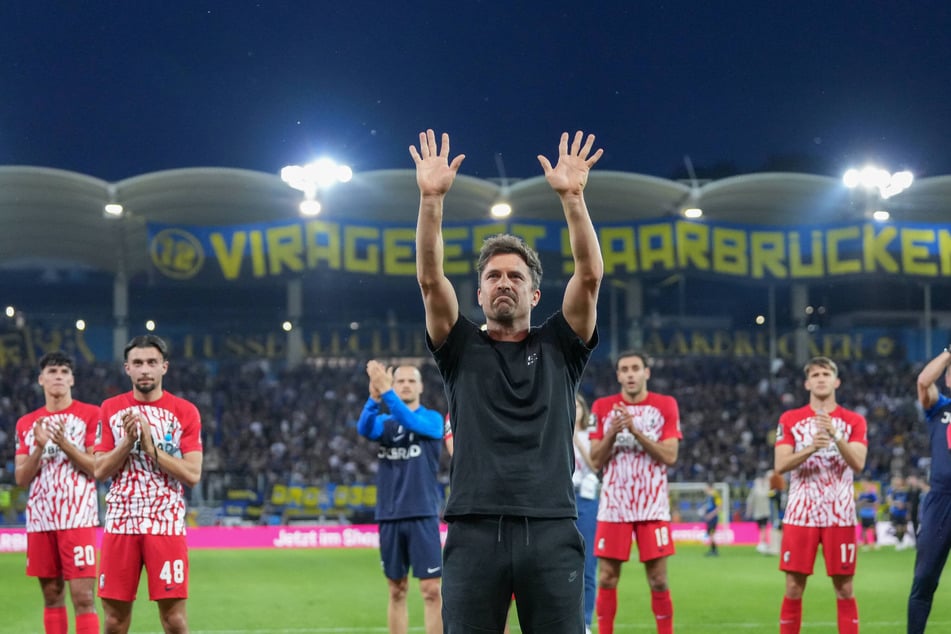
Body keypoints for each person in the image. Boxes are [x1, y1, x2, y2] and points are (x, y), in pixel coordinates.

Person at [411, 128, 603, 633]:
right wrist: (431, 200)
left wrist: (574, 200)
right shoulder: (460, 348)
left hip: (551, 527)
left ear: (536, 295)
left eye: (516, 277)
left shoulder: (561, 345)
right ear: (478, 292)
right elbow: (431, 279)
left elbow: (588, 277)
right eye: (494, 276)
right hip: (474, 529)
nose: (504, 283)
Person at [94, 335, 203, 634]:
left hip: (165, 522)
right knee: (115, 622)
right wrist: (128, 442)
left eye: (152, 363)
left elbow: (192, 474)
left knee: (175, 621)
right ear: (126, 368)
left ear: (164, 367)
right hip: (120, 522)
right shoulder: (110, 408)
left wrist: (150, 447)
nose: (145, 369)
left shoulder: (185, 412)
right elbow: (99, 469)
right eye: (138, 363)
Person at [589, 350, 681, 634]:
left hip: (652, 507)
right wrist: (613, 432)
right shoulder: (603, 407)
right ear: (618, 375)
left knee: (658, 580)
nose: (630, 374)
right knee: (606, 578)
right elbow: (594, 460)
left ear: (646, 373)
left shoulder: (665, 404)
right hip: (614, 506)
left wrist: (636, 431)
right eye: (624, 369)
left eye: (635, 369)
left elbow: (670, 456)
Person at [774, 356, 868, 634]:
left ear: (836, 381)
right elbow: (780, 464)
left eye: (826, 373)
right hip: (800, 514)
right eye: (815, 375)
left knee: (844, 588)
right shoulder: (790, 419)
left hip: (840, 515)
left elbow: (859, 463)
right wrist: (811, 447)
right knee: (793, 587)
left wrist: (836, 436)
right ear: (807, 383)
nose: (821, 378)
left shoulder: (854, 421)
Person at [14, 352, 101, 634]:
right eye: (52, 371)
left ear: (72, 379)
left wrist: (63, 443)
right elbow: (21, 478)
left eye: (65, 371)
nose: (59, 376)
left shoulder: (90, 415)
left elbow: (96, 467)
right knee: (52, 597)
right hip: (41, 520)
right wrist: (39, 447)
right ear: (41, 379)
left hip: (78, 519)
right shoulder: (27, 423)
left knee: (84, 598)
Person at [356, 361, 444, 634]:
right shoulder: (384, 423)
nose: (405, 384)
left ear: (420, 386)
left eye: (410, 381)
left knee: (431, 590)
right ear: (393, 386)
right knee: (396, 589)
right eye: (400, 381)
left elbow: (410, 420)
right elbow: (363, 428)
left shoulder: (432, 420)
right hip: (390, 515)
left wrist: (387, 394)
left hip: (423, 513)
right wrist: (373, 398)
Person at [907, 343, 951, 634]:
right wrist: (949, 350)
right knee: (924, 578)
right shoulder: (939, 407)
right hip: (941, 501)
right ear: (948, 378)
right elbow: (923, 381)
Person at [572, 392, 599, 634]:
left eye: (578, 405)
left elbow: (596, 466)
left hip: (588, 500)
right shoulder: (554, 432)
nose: (574, 409)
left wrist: (577, 441)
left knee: (589, 564)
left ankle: (586, 623)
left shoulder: (591, 436)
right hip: (563, 500)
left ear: (584, 409)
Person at [746, 474, 773, 554]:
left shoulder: (755, 490)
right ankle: (762, 543)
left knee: (762, 528)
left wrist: (749, 512)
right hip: (764, 512)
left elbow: (750, 501)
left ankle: (762, 543)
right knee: (763, 528)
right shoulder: (766, 489)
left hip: (759, 513)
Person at [887, 475, 911, 550]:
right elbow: (889, 500)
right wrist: (896, 504)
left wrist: (906, 507)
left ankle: (903, 541)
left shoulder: (905, 490)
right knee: (898, 528)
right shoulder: (892, 490)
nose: (898, 482)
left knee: (905, 528)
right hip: (896, 512)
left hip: (904, 512)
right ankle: (899, 542)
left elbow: (909, 501)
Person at [855, 477, 880, 550]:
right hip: (863, 514)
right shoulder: (862, 495)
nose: (863, 485)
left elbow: (876, 503)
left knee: (871, 529)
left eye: (865, 483)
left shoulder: (872, 494)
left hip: (870, 514)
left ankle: (873, 542)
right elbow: (858, 504)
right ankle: (865, 542)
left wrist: (875, 511)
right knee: (864, 529)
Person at [702, 482, 722, 557]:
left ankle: (714, 551)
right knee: (710, 534)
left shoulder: (715, 495)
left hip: (713, 518)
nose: (705, 489)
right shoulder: (709, 496)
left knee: (711, 533)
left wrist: (711, 515)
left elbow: (719, 507)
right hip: (709, 517)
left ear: (710, 487)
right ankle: (713, 550)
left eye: (706, 487)